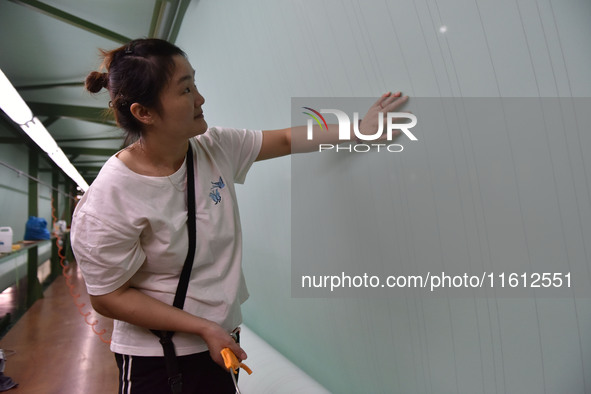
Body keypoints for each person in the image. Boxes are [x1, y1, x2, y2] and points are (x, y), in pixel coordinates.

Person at [70, 38, 408, 394]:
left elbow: (287, 140)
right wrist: (202, 327)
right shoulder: (109, 200)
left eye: (195, 83)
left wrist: (361, 130)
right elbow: (107, 297)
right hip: (160, 359)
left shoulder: (214, 148)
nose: (200, 98)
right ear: (144, 113)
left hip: (221, 342)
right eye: (185, 90)